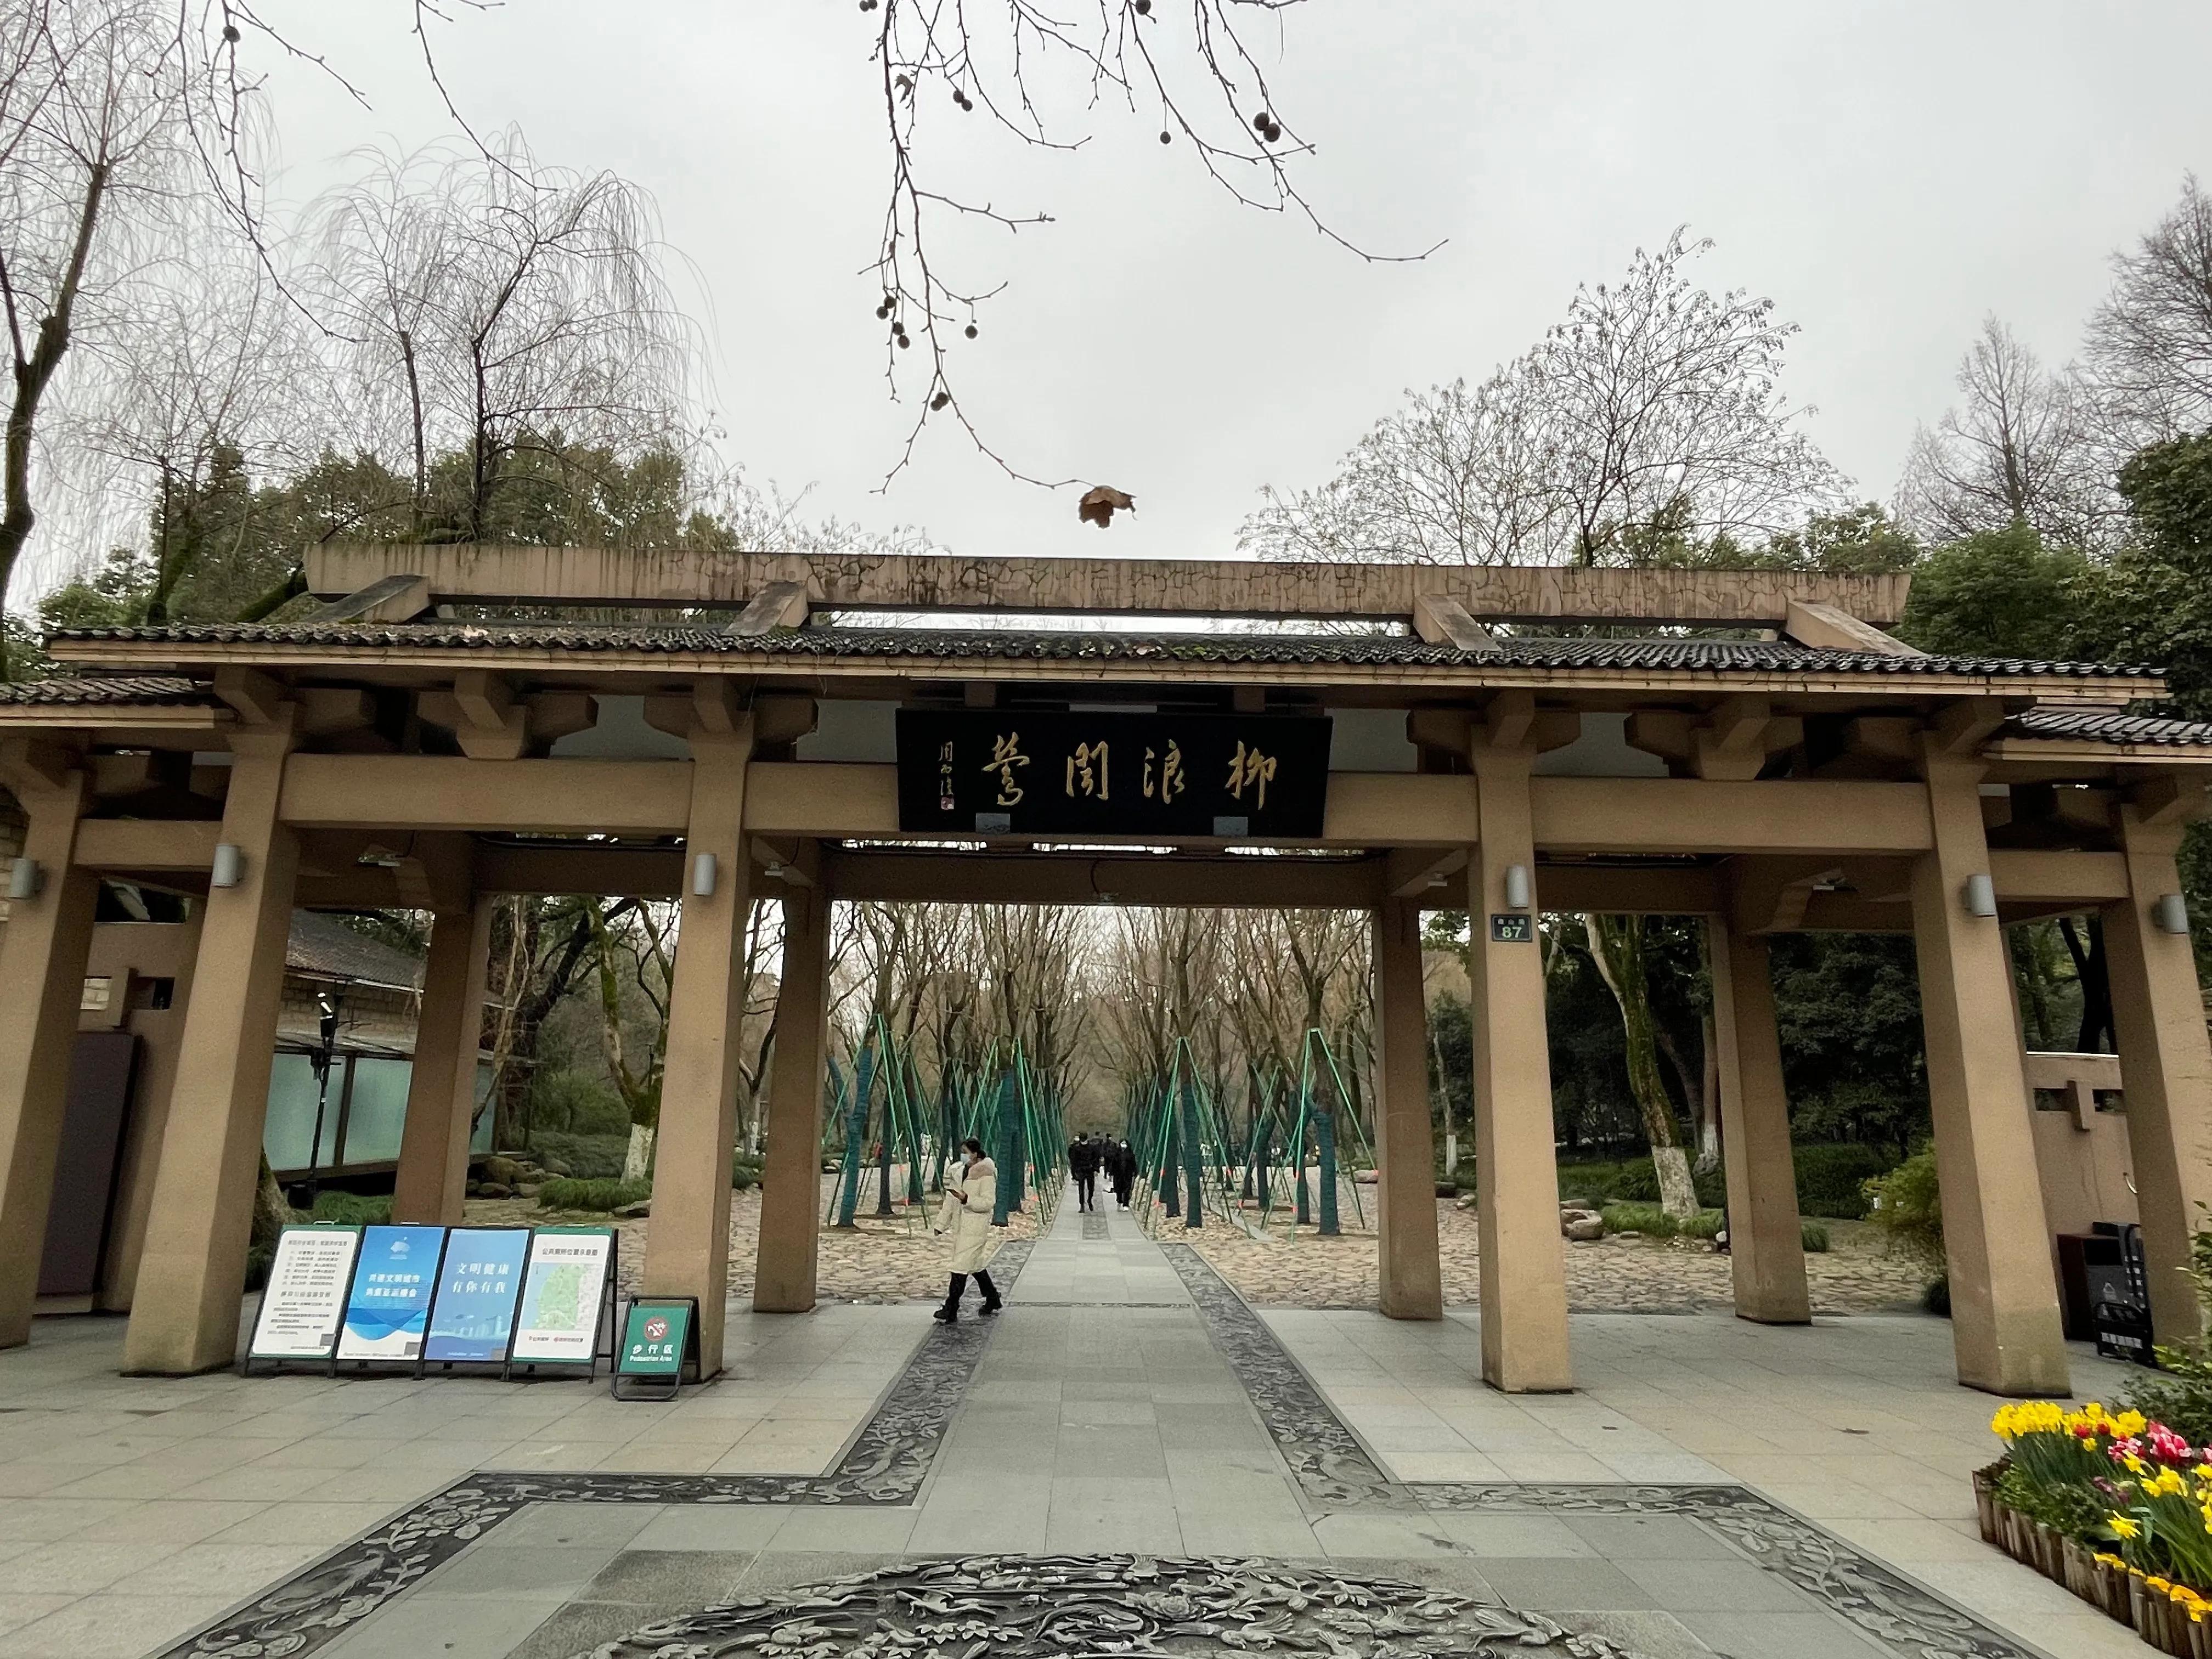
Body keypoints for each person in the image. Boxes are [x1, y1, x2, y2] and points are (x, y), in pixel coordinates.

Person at [932, 1137, 1003, 1322]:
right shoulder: (959, 1171)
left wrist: (967, 1200)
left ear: (975, 1153)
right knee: (974, 1266)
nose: (963, 1156)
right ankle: (993, 1298)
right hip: (960, 1226)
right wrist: (941, 1224)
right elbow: (951, 1200)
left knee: (960, 1267)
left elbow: (988, 1203)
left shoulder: (986, 1174)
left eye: (966, 1152)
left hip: (976, 1227)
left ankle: (951, 1307)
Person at [1070, 1134, 1099, 1211]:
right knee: (1081, 1188)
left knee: (1091, 1188)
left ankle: (1089, 1200)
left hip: (1090, 1169)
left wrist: (1096, 1169)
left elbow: (1096, 1159)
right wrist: (1075, 1173)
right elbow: (1074, 1161)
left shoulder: (1092, 1148)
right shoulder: (1076, 1148)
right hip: (1081, 1170)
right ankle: (1082, 1205)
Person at [1110, 1137, 1136, 1209]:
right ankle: (1119, 1199)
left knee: (1127, 1188)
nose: (1123, 1145)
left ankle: (1126, 1204)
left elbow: (1133, 1164)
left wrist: (1134, 1171)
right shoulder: (1117, 1153)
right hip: (1118, 1174)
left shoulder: (1130, 1154)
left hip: (1127, 1174)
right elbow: (1113, 1163)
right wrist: (1112, 1172)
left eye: (1125, 1143)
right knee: (1118, 1188)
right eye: (1122, 1143)